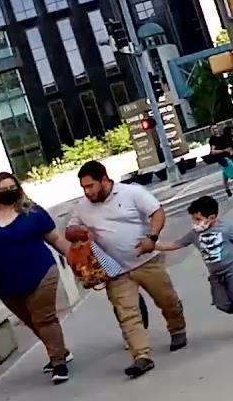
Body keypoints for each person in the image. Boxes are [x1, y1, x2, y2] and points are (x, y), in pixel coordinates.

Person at [69, 161, 187, 379]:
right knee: (127, 314)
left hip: (147, 260)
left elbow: (157, 213)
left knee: (166, 299)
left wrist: (152, 238)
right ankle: (141, 355)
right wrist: (77, 233)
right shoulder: (83, 206)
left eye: (91, 186)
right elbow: (70, 230)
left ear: (104, 179)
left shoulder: (132, 192)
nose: (88, 192)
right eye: (84, 187)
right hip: (115, 269)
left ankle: (177, 328)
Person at [0, 173, 73, 385]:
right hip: (6, 283)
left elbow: (56, 239)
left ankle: (58, 362)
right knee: (31, 321)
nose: (8, 192)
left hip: (41, 273)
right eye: (3, 189)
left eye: (12, 187)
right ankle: (60, 350)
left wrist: (76, 259)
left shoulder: (33, 213)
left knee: (44, 319)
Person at [157, 195, 233, 339]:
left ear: (212, 217)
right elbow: (177, 244)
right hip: (216, 275)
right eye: (193, 219)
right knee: (221, 304)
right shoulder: (194, 234)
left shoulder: (226, 229)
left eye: (198, 219)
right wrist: (155, 246)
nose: (195, 223)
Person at [208, 123, 233, 195]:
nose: (215, 130)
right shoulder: (213, 139)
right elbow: (212, 151)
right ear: (211, 131)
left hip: (228, 157)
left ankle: (228, 191)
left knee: (225, 176)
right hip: (223, 159)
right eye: (213, 129)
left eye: (216, 128)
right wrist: (224, 150)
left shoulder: (222, 137)